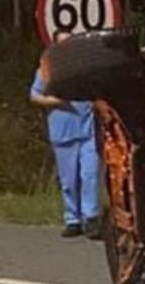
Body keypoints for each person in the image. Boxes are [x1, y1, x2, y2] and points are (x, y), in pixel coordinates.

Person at [31, 35, 101, 238]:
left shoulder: (85, 68)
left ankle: (91, 218)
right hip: (63, 132)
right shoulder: (47, 70)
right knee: (69, 180)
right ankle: (72, 218)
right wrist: (56, 102)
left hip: (88, 131)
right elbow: (34, 95)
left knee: (90, 174)